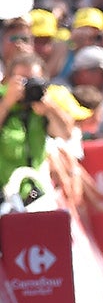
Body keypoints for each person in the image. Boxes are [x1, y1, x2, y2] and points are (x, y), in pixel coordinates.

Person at [0, 52, 73, 206]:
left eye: (34, 80)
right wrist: (6, 104)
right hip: (4, 195)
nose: (28, 87)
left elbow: (66, 134)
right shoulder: (3, 99)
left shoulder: (44, 104)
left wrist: (51, 109)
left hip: (35, 194)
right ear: (7, 80)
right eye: (23, 81)